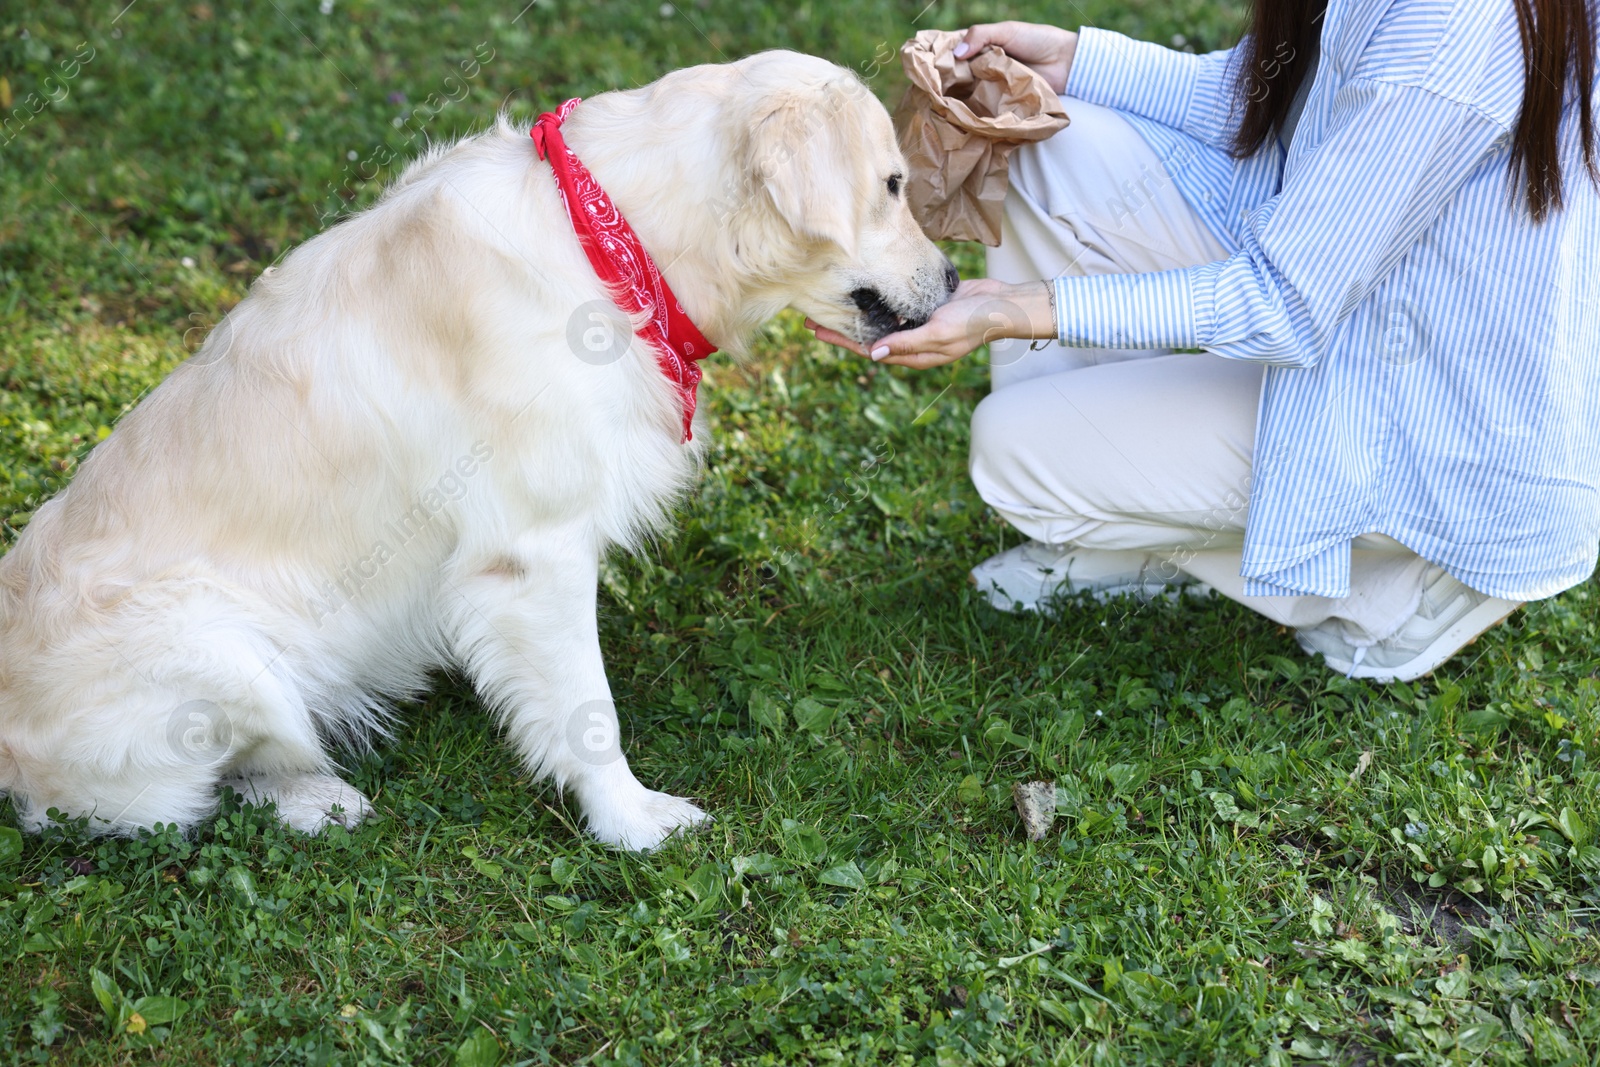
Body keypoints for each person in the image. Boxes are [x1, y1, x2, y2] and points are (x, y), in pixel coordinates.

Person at [809, 0, 1600, 683]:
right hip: (1358, 291)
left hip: (1430, 419)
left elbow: (1283, 303)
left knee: (1012, 452)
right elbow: (1274, 99)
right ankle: (1135, 526)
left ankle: (1400, 587)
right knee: (1042, 145)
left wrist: (1028, 308)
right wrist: (1078, 59)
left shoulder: (1452, 31)